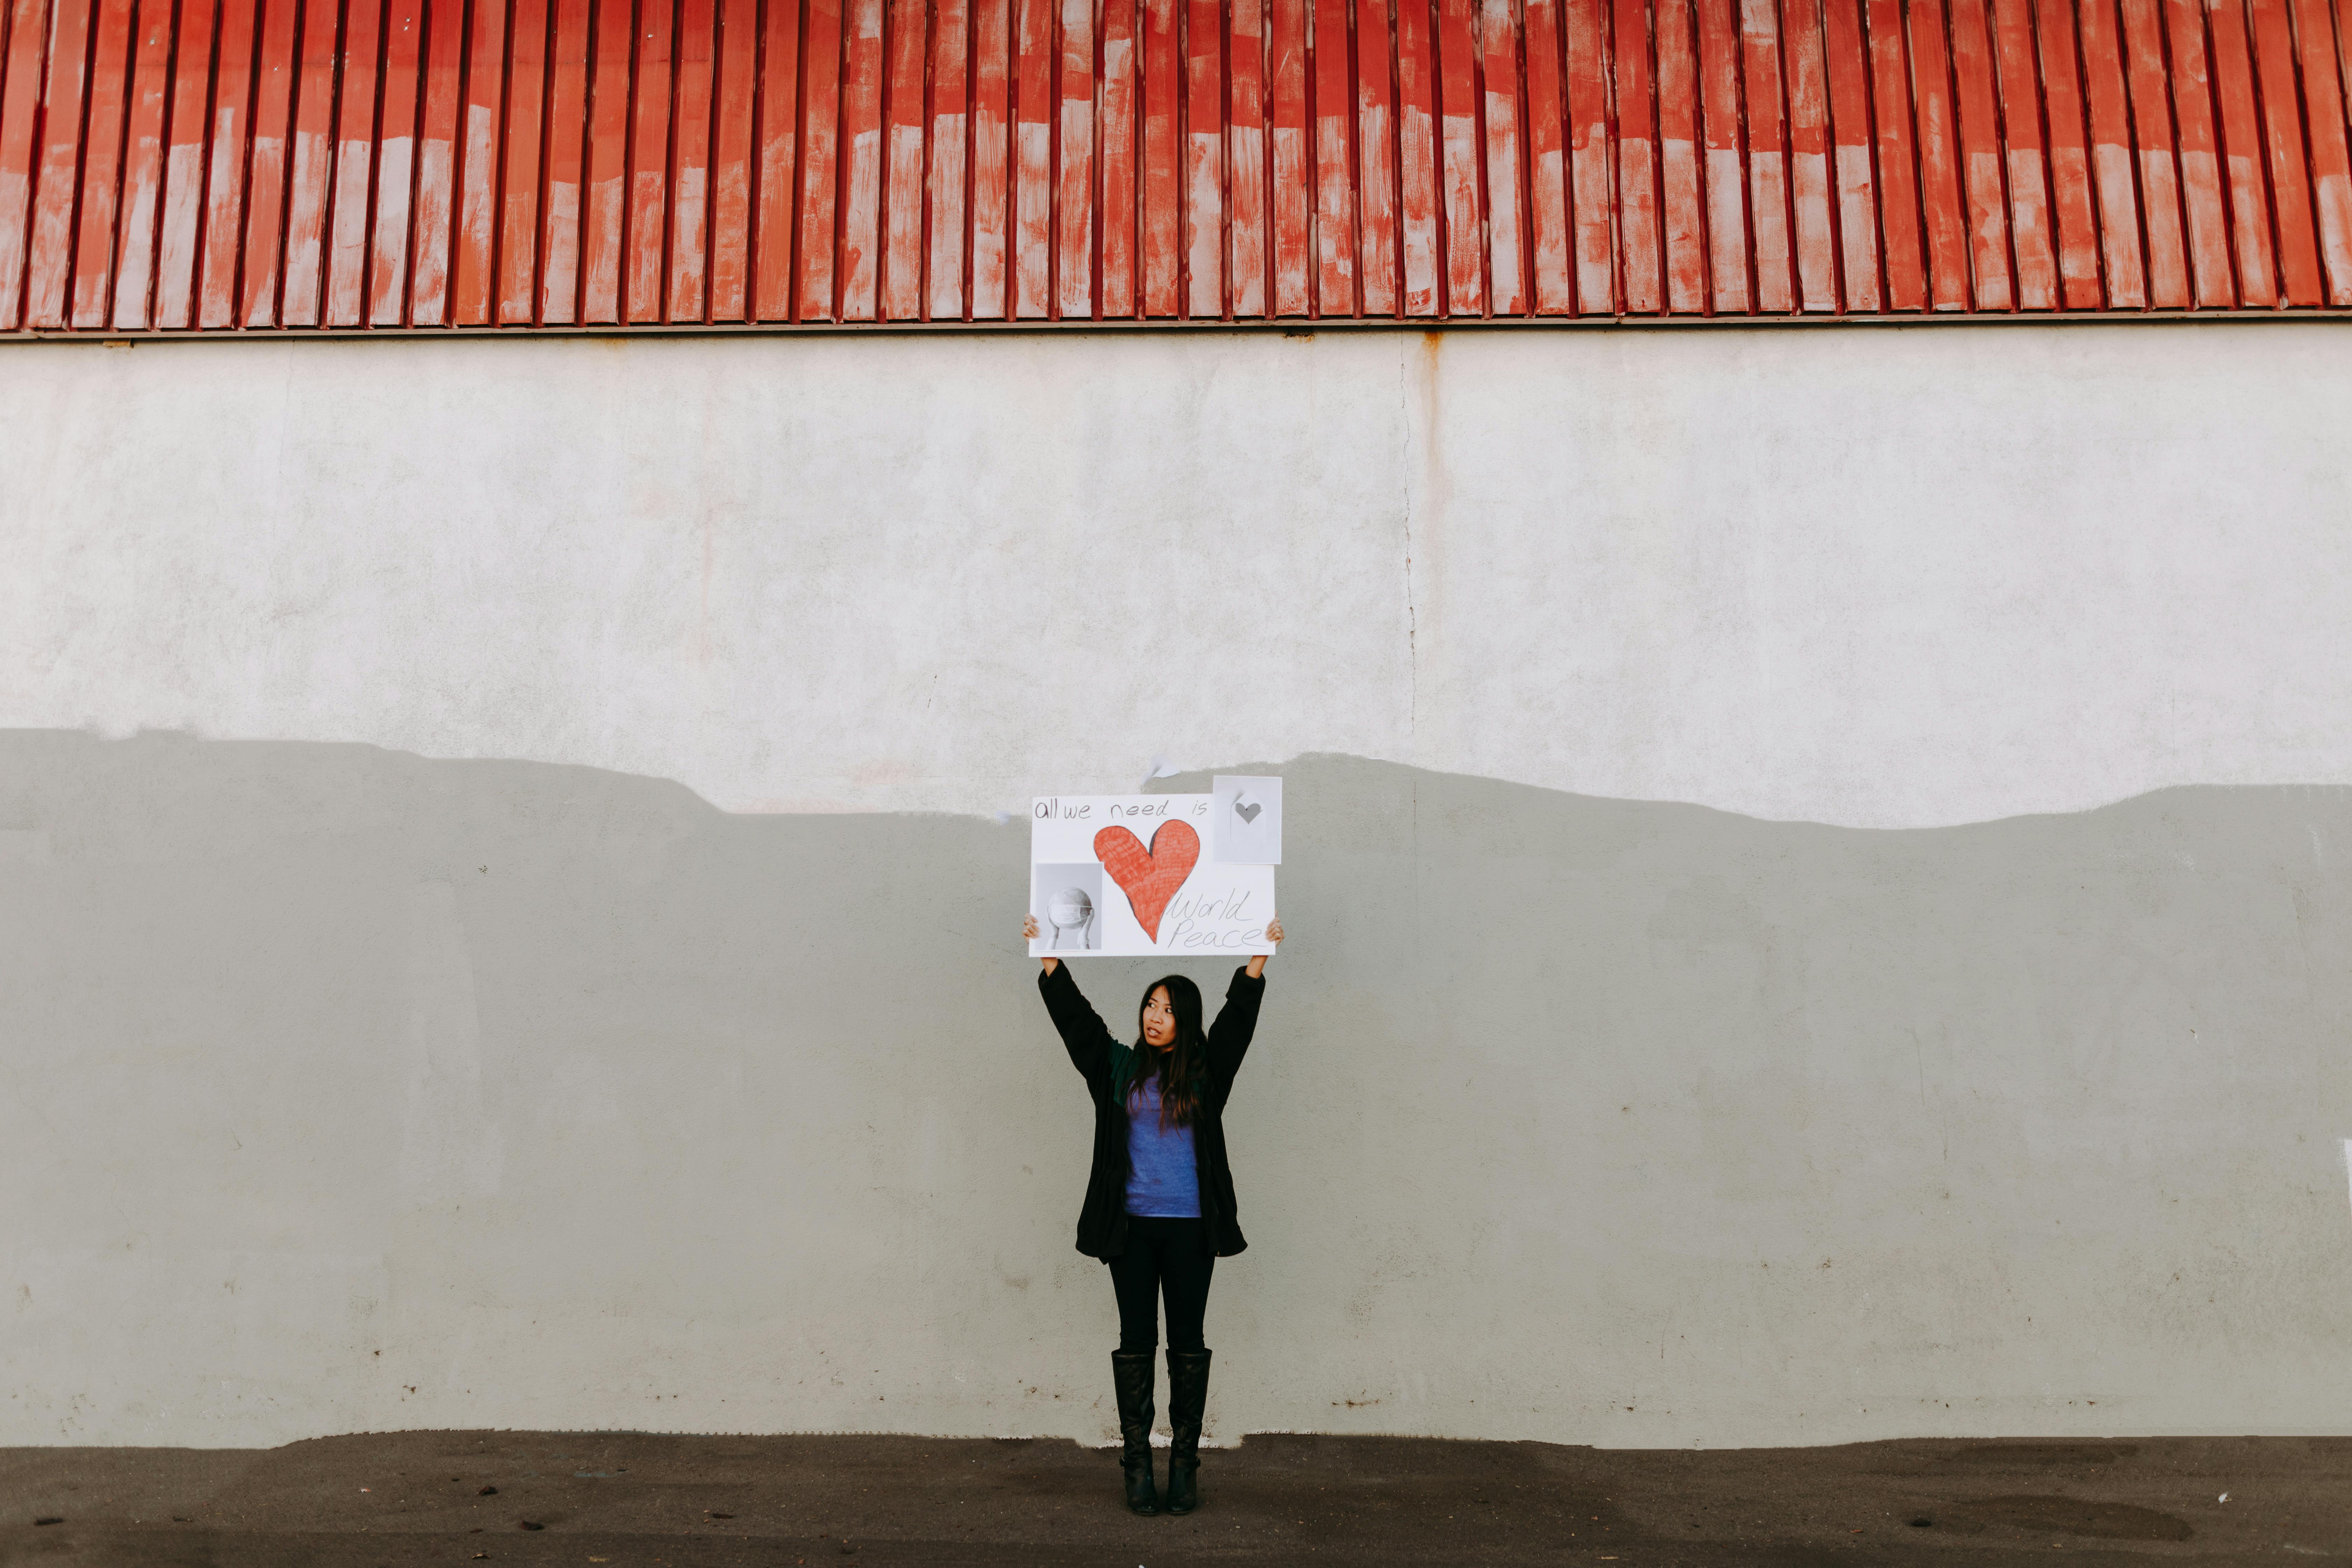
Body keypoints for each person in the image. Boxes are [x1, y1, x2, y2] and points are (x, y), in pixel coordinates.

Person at [1020, 911, 1284, 1517]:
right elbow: (1079, 1027)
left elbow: (1236, 1025)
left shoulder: (1206, 1072)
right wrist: (1051, 960)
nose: (1154, 1016)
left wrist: (1256, 962)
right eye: (1149, 1005)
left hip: (1193, 1231)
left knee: (1187, 1343)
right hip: (1131, 1232)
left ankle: (1184, 1467)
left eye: (1166, 1009)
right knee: (1136, 1343)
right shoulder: (1117, 1069)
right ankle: (1137, 1467)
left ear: (1183, 1020)